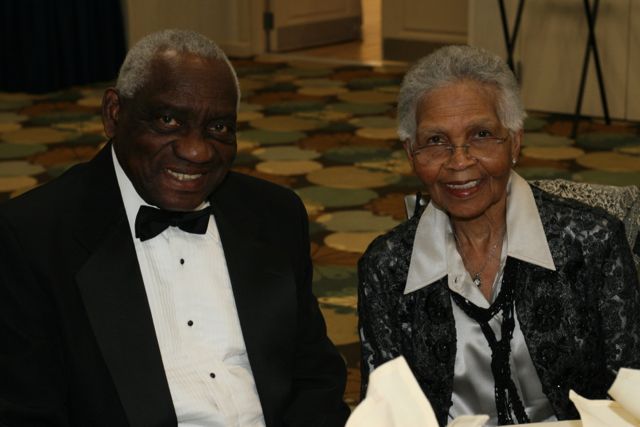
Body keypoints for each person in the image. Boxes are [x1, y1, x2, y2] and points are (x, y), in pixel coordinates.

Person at [0, 29, 349, 427]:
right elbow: (27, 412)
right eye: (168, 120)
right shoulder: (33, 237)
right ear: (114, 113)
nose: (196, 151)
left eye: (219, 128)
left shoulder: (274, 213)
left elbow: (314, 374)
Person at [357, 45, 640, 426]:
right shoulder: (387, 266)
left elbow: (630, 394)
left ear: (515, 141)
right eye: (436, 141)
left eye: (481, 134)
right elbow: (384, 414)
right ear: (411, 153)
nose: (459, 161)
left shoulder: (592, 242)